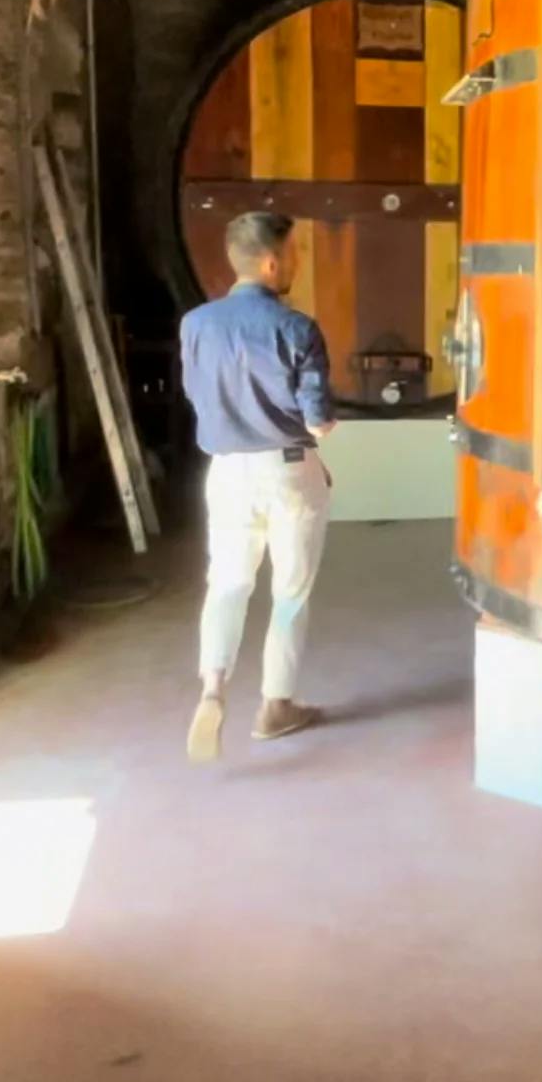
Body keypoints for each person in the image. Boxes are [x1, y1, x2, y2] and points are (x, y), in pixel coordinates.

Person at [180, 211, 336, 763]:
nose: (297, 262)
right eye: (294, 253)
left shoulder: (195, 325)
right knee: (289, 593)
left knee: (226, 583)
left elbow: (198, 396)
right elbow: (317, 420)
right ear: (272, 262)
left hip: (226, 471)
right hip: (288, 468)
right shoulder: (298, 329)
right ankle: (275, 706)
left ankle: (213, 689)